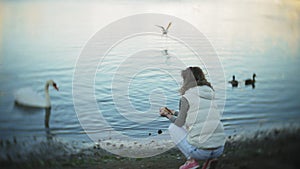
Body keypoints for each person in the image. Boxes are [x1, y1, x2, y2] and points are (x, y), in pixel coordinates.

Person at [159, 67, 226, 169]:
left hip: (201, 151)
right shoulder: (210, 94)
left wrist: (167, 115)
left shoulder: (186, 97)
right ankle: (211, 159)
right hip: (219, 149)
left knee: (173, 128)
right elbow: (194, 115)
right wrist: (174, 112)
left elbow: (179, 123)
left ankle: (191, 161)